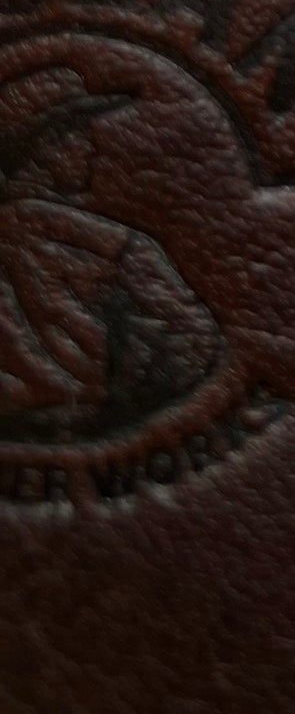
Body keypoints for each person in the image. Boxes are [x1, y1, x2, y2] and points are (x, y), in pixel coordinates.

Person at [0, 64, 223, 445]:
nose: (92, 149)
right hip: (95, 431)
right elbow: (195, 346)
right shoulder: (111, 246)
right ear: (48, 147)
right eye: (79, 136)